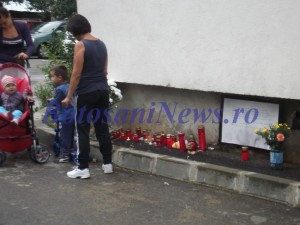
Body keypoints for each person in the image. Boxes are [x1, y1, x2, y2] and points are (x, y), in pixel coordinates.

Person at [61, 14, 113, 179]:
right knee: (102, 127)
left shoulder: (81, 45)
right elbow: (105, 71)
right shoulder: (102, 44)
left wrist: (68, 96)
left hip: (86, 92)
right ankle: (107, 164)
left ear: (75, 32)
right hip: (103, 91)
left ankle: (82, 167)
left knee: (82, 127)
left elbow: (76, 74)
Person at [48, 65, 75, 163]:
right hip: (73, 114)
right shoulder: (69, 86)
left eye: (52, 76)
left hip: (65, 116)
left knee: (64, 136)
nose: (51, 79)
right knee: (71, 135)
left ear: (59, 78)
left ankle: (65, 155)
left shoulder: (59, 89)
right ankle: (71, 152)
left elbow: (57, 102)